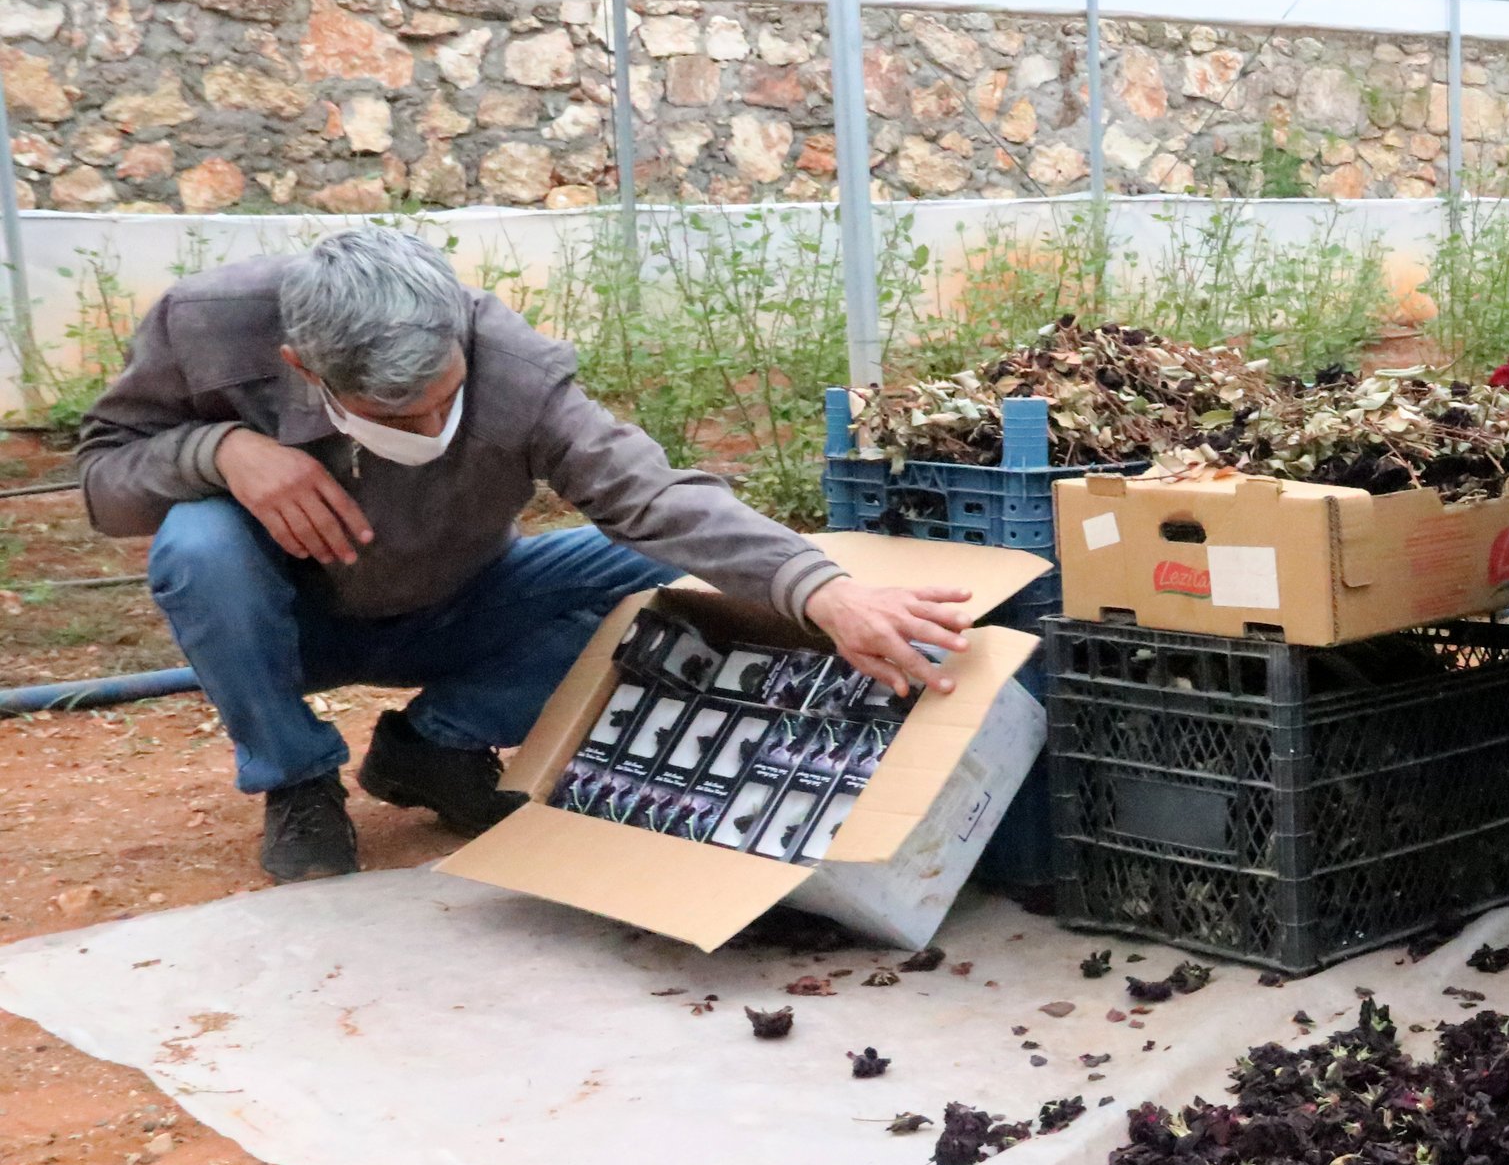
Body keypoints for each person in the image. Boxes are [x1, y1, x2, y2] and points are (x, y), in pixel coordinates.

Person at [77, 226, 973, 883]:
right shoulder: (205, 330)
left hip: (464, 601)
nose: (430, 429)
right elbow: (103, 479)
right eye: (395, 419)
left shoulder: (513, 365)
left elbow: (650, 496)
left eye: (445, 399)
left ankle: (434, 744)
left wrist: (821, 591)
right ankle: (299, 782)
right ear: (302, 366)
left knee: (656, 565)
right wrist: (219, 452)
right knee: (200, 541)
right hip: (288, 624)